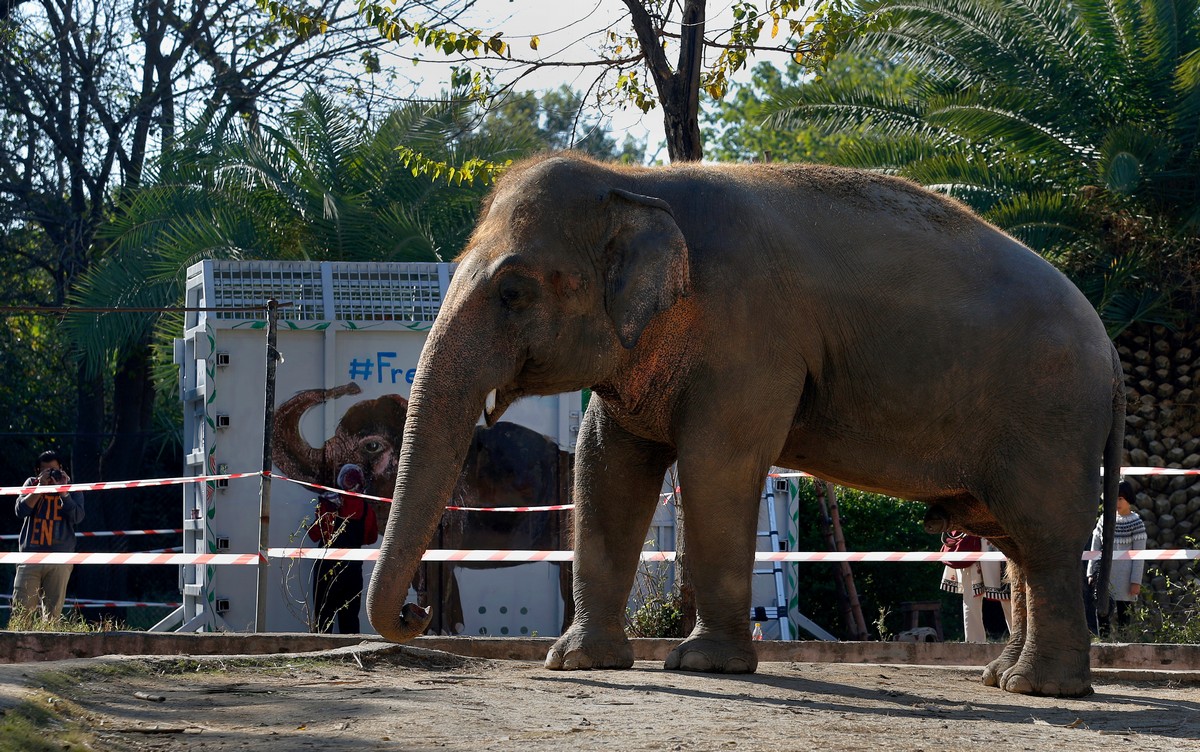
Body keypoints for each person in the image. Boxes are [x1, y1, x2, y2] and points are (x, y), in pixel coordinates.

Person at [13, 450, 85, 621]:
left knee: (53, 616)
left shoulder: (71, 487)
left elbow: (78, 517)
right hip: (30, 557)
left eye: (54, 470)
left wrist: (63, 492)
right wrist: (39, 488)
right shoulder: (31, 483)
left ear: (61, 468)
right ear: (38, 471)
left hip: (60, 559)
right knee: (21, 612)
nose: (51, 475)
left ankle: (50, 648)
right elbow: (20, 510)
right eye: (46, 471)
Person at [307, 463, 378, 634]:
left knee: (323, 617)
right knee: (350, 619)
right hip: (352, 571)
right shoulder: (366, 509)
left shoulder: (328, 503)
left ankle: (320, 654)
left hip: (326, 569)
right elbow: (371, 538)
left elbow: (315, 535)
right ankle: (350, 654)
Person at [1087, 479, 1146, 636]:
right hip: (1104, 577)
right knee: (1102, 614)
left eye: (1120, 498)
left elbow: (1139, 556)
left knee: (1124, 618)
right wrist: (1091, 572)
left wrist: (1135, 582)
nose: (1117, 502)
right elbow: (1095, 547)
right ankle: (1104, 647)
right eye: (1114, 498)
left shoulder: (1136, 523)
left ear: (1128, 499)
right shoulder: (1103, 520)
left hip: (1126, 580)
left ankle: (1124, 650)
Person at [940, 532, 1012, 643]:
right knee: (972, 598)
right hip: (970, 545)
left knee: (1008, 595)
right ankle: (974, 643)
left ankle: (1021, 640)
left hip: (995, 545)